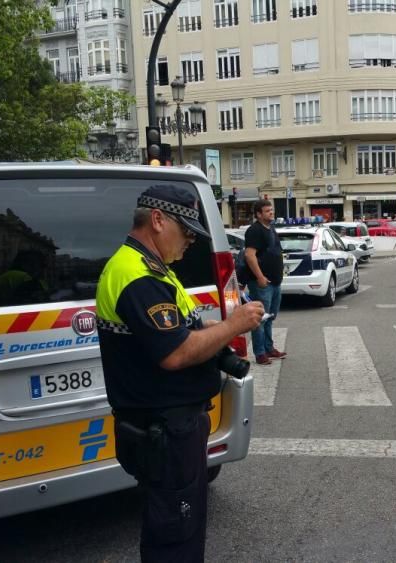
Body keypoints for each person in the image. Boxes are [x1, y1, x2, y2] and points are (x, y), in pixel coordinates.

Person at [95, 185, 264, 562]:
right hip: (164, 428)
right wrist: (233, 325)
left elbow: (183, 330)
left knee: (178, 526)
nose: (190, 241)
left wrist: (213, 335)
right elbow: (175, 352)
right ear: (157, 220)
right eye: (186, 230)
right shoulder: (137, 276)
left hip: (170, 427)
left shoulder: (153, 270)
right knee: (175, 535)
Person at [244, 199, 287, 365]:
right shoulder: (254, 231)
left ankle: (269, 348)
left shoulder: (271, 228)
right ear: (258, 214)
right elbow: (249, 255)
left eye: (272, 210)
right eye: (267, 211)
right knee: (260, 319)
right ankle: (260, 353)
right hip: (262, 283)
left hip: (275, 282)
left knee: (270, 317)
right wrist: (260, 277)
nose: (271, 212)